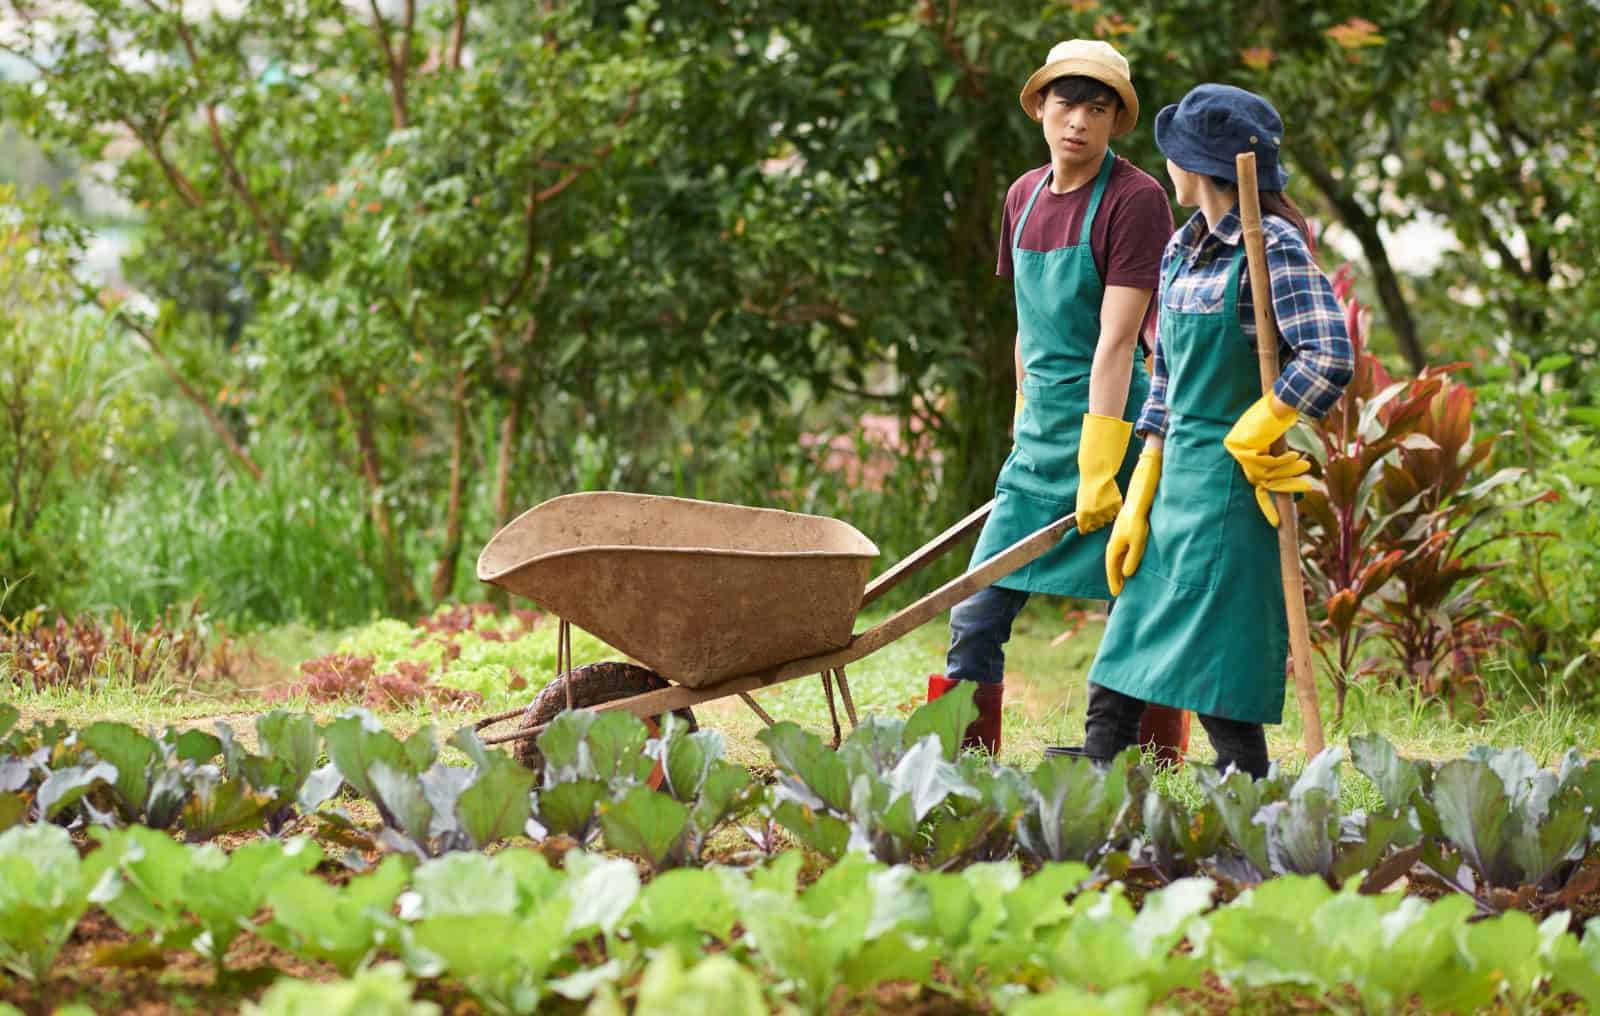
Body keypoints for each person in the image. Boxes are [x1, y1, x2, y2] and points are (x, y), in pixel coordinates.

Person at [1081, 83, 1354, 778]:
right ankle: (1086, 804)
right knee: (1121, 658)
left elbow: (1329, 354)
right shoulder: (1182, 248)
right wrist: (1141, 487)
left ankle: (1255, 814)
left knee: (1219, 670)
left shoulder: (1272, 247)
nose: (1164, 162)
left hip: (1234, 492)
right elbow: (1166, 379)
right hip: (1174, 482)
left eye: (1172, 152)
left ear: (1196, 165)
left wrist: (1260, 425)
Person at [926, 39, 1182, 757]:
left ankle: (1124, 756)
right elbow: (1026, 326)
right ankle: (966, 759)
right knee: (977, 608)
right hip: (1038, 438)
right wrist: (1020, 418)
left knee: (1135, 602)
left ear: (1114, 122)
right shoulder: (1022, 196)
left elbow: (1118, 340)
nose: (1079, 121)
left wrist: (1102, 463)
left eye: (1098, 109)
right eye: (1067, 103)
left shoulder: (1136, 200)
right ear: (1040, 106)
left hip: (1111, 425)